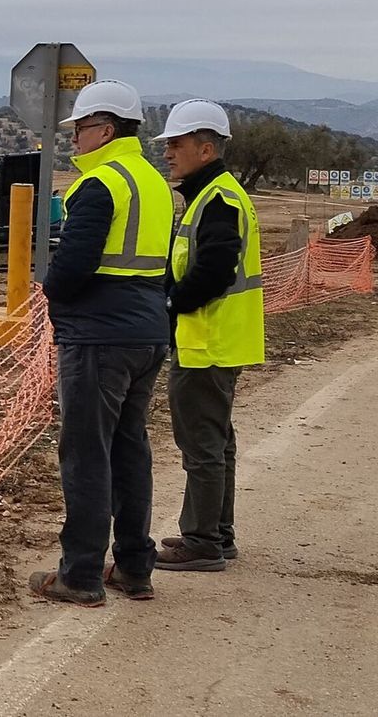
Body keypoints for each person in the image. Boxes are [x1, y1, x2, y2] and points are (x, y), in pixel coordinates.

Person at [31, 79, 174, 606]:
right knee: (129, 449)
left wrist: (53, 295)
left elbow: (69, 268)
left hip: (99, 337)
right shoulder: (154, 182)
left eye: (81, 129)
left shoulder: (100, 185)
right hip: (146, 331)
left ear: (106, 129)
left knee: (87, 455)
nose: (74, 140)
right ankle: (135, 566)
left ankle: (81, 574)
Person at [153, 100, 264, 571]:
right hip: (218, 338)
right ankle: (216, 533)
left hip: (206, 340)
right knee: (216, 440)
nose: (168, 154)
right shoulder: (215, 194)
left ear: (204, 148)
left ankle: (202, 541)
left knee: (201, 443)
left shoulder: (217, 198)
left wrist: (171, 303)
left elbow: (215, 270)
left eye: (175, 145)